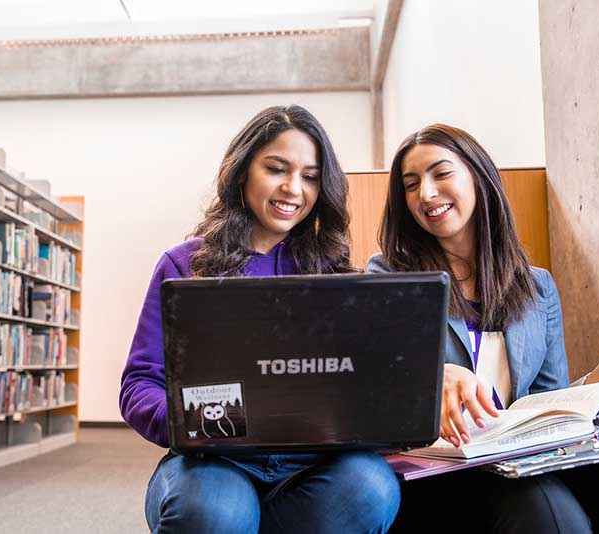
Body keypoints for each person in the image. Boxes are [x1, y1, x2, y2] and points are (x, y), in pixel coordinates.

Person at [120, 105, 400, 534]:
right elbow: (140, 383)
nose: (293, 188)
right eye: (276, 169)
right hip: (215, 460)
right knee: (217, 514)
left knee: (372, 488)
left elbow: (356, 378)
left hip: (312, 464)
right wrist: (187, 424)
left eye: (309, 177)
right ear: (242, 171)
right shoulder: (184, 265)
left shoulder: (335, 270)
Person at [368, 123, 599, 534]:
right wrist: (431, 378)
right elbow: (374, 384)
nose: (425, 193)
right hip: (446, 465)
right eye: (411, 184)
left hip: (521, 457)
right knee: (549, 512)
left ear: (479, 177)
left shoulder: (537, 286)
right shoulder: (390, 276)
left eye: (441, 174)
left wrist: (596, 382)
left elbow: (547, 402)